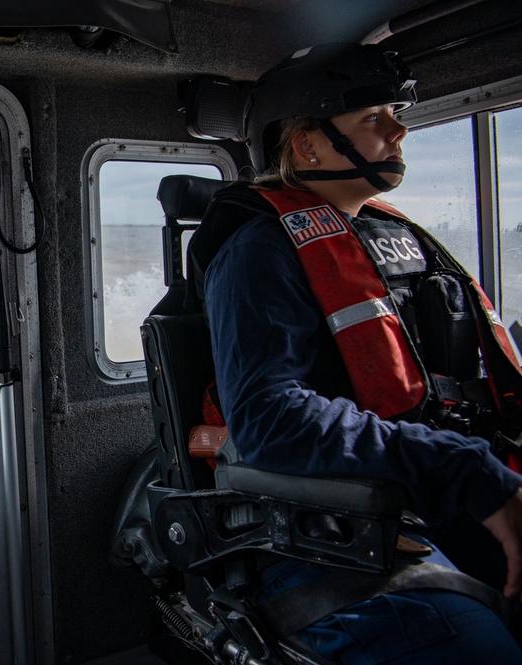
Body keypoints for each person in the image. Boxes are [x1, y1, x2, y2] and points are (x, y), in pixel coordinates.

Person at [189, 43, 522, 663]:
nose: (400, 129)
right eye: (374, 117)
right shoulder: (258, 253)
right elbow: (268, 421)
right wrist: (461, 469)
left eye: (395, 111)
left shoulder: (397, 238)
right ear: (307, 146)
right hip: (335, 529)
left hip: (434, 495)